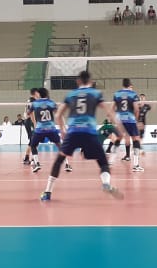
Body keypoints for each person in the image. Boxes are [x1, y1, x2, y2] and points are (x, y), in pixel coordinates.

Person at [40, 70, 125, 202]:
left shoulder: (71, 95)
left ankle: (47, 193)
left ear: (78, 81)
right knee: (102, 161)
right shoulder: (96, 93)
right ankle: (106, 184)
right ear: (90, 82)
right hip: (89, 132)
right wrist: (119, 126)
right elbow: (109, 111)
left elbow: (57, 115)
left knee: (59, 160)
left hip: (73, 132)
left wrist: (62, 130)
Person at [24, 87, 72, 174]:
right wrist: (63, 127)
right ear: (46, 94)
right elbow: (59, 115)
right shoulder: (51, 103)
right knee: (59, 145)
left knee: (33, 145)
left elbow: (27, 114)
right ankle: (67, 164)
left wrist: (27, 114)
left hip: (39, 129)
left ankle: (37, 163)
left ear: (39, 94)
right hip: (51, 129)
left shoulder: (34, 103)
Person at [112, 78, 144, 172]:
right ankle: (136, 164)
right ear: (129, 85)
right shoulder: (133, 94)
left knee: (119, 138)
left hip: (120, 119)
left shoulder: (117, 94)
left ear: (122, 84)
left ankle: (110, 161)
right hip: (130, 119)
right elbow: (136, 109)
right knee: (135, 139)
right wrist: (136, 120)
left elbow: (113, 108)